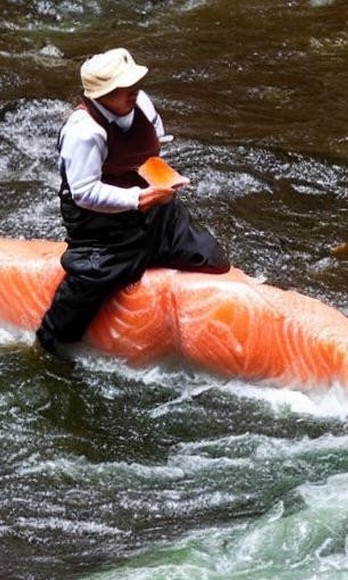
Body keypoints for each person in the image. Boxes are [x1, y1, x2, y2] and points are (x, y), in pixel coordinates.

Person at [36, 47, 230, 353]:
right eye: (123, 87)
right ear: (102, 94)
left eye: (133, 83)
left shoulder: (141, 102)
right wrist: (137, 198)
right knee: (88, 286)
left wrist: (160, 181)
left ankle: (144, 267)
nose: (133, 90)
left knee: (212, 259)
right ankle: (46, 343)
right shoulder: (84, 131)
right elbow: (84, 192)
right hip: (101, 226)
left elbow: (154, 145)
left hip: (153, 207)